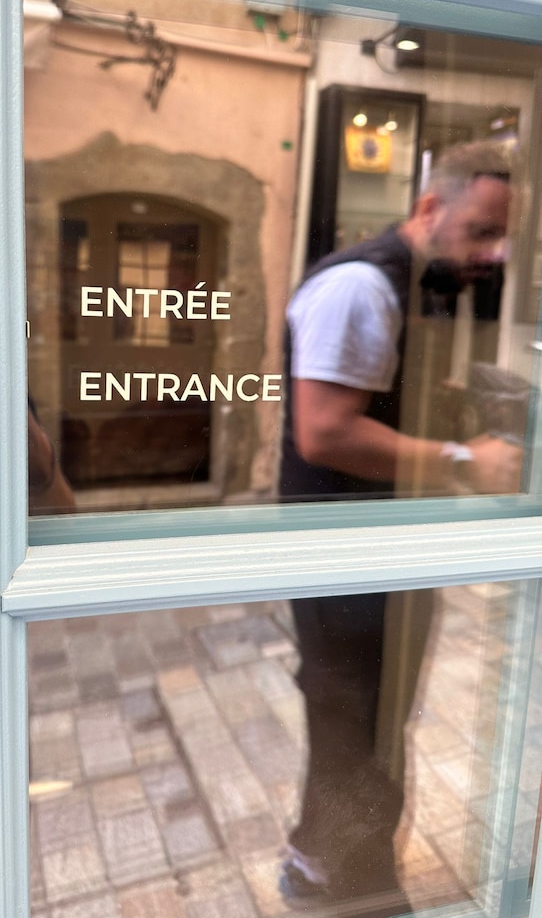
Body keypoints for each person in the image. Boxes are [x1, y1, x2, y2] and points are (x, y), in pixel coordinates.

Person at [278, 141, 522, 915]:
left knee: (364, 719)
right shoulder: (362, 285)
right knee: (358, 722)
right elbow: (324, 431)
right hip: (345, 559)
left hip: (378, 553)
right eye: (481, 231)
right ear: (428, 208)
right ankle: (359, 895)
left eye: (502, 237)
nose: (493, 253)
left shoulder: (415, 284)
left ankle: (316, 863)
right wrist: (463, 459)